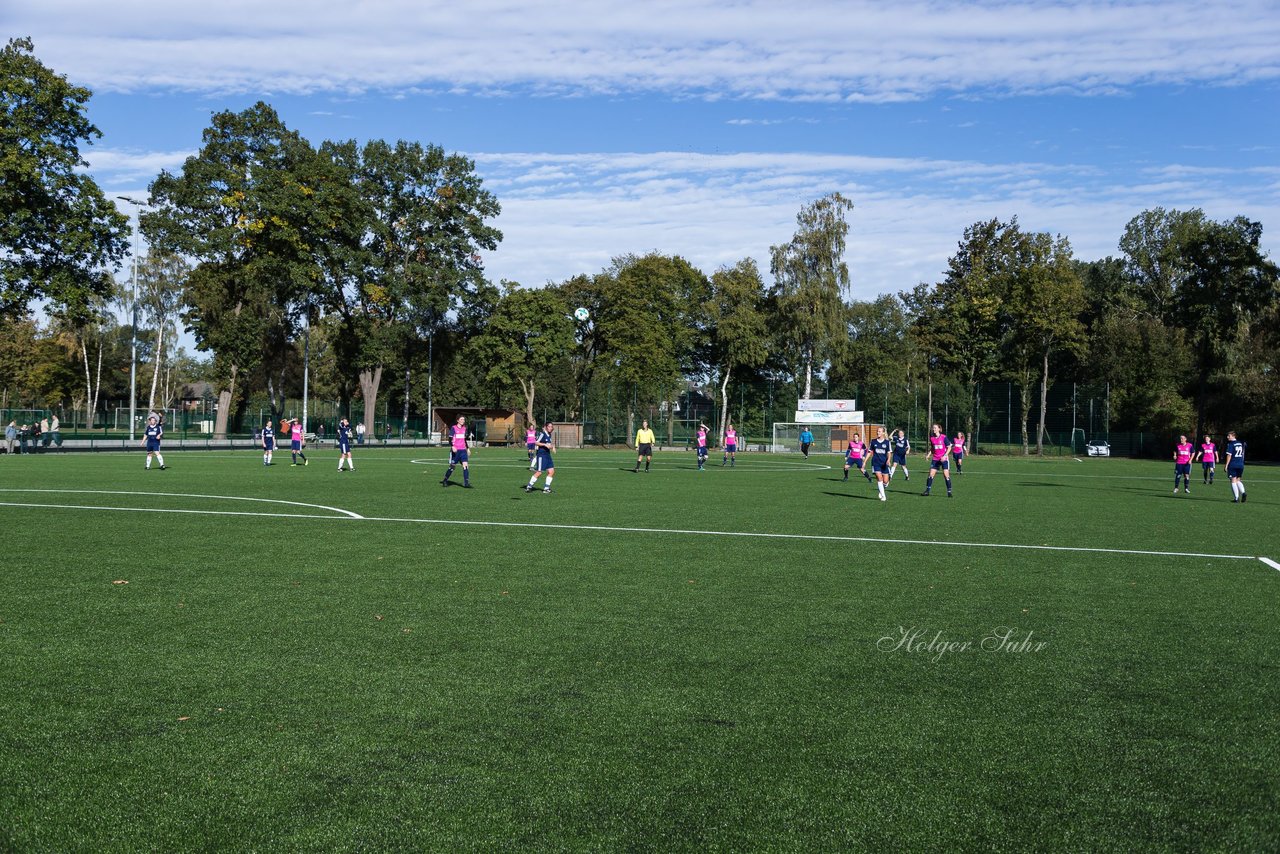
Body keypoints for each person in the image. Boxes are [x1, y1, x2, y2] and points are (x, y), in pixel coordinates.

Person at [922, 424, 952, 497]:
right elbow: (932, 449)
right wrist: (928, 455)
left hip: (944, 459)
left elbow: (949, 447)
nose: (933, 429)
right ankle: (927, 491)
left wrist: (944, 456)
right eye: (933, 428)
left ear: (939, 429)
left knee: (946, 475)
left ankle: (949, 492)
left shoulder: (944, 437)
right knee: (930, 475)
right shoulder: (932, 438)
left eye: (935, 428)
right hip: (935, 459)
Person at [441, 416, 471, 487]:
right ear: (457, 420)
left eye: (464, 419)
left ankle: (466, 483)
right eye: (461, 419)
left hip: (463, 450)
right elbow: (450, 439)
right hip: (456, 451)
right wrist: (453, 446)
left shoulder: (464, 428)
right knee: (452, 467)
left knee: (465, 466)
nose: (463, 420)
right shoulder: (453, 428)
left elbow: (464, 440)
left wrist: (468, 448)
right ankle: (445, 480)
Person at [526, 422, 556, 493]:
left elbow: (549, 444)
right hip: (541, 456)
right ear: (546, 427)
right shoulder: (543, 434)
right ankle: (529, 486)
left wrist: (553, 447)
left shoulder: (549, 435)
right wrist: (544, 445)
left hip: (547, 455)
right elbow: (536, 442)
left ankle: (546, 489)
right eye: (549, 426)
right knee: (539, 472)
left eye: (551, 427)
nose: (550, 428)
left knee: (551, 471)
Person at [869, 426, 892, 501]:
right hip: (876, 463)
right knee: (879, 478)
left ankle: (881, 490)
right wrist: (865, 461)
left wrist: (888, 460)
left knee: (885, 481)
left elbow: (889, 453)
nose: (877, 432)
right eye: (877, 431)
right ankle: (883, 496)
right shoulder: (873, 441)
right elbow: (870, 452)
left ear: (883, 432)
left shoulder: (887, 442)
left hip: (884, 463)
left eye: (879, 431)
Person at [1225, 431, 1247, 503]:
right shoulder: (1240, 443)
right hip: (1240, 464)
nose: (1227, 437)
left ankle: (1236, 498)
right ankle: (1243, 492)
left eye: (1229, 436)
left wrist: (1226, 465)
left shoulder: (1231, 444)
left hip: (1233, 464)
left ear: (1233, 436)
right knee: (1238, 480)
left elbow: (1229, 455)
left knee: (1233, 480)